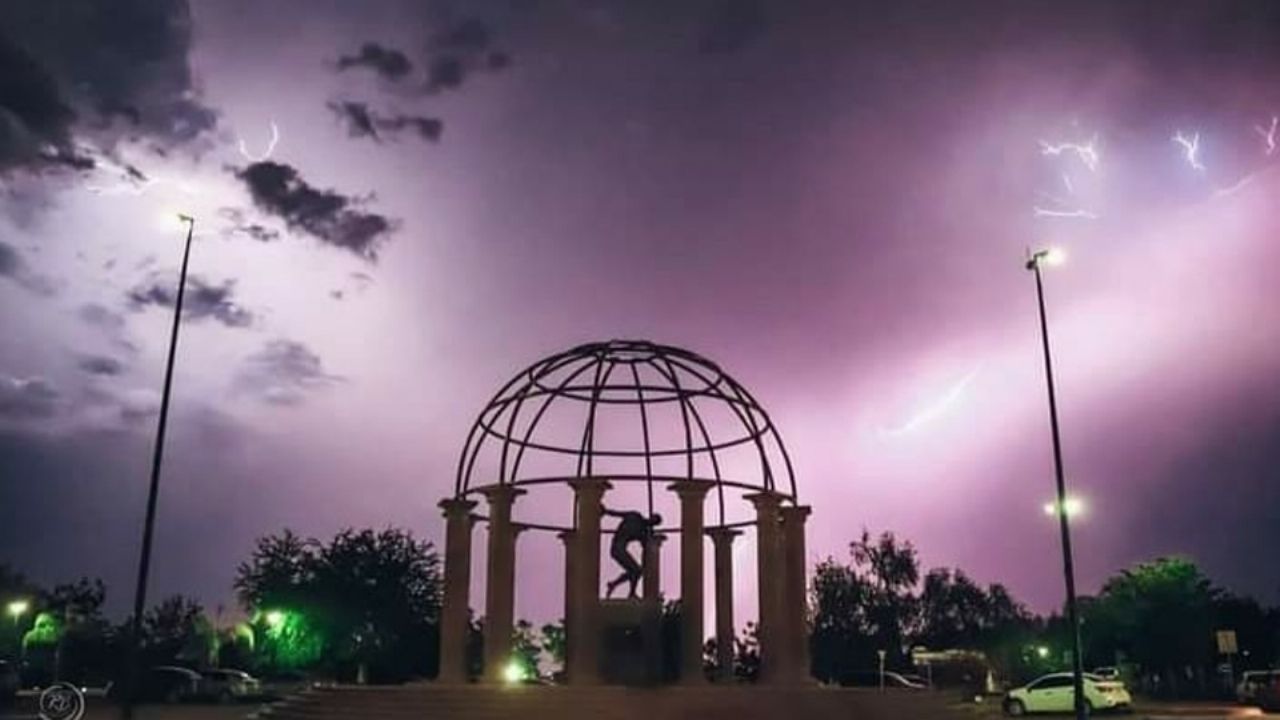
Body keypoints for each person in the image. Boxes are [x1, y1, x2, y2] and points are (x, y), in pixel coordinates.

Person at [603, 507, 662, 599]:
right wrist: (606, 511)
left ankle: (617, 585)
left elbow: (646, 546)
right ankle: (624, 589)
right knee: (636, 571)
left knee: (635, 571)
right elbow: (618, 513)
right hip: (618, 548)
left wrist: (651, 537)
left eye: (654, 522)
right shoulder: (635, 517)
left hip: (619, 549)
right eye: (653, 520)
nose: (651, 522)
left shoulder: (642, 530)